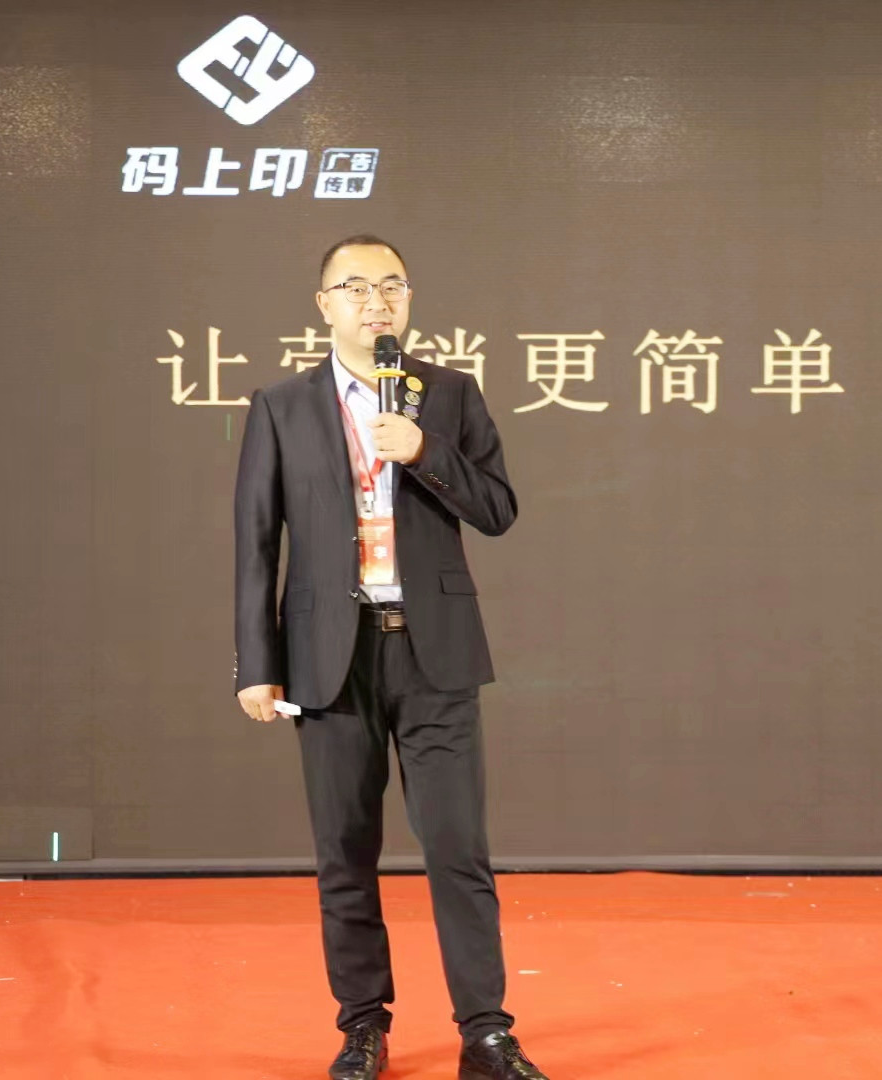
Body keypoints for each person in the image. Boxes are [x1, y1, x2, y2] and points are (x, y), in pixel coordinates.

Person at [233, 236, 549, 1080]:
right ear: (324, 304)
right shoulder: (281, 406)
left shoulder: (448, 394)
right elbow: (256, 542)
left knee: (457, 848)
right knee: (345, 851)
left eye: (392, 287)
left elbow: (498, 509)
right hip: (329, 661)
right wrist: (255, 662)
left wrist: (423, 451)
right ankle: (363, 1028)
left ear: (408, 300)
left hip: (434, 652)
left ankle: (486, 1033)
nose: (376, 302)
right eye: (356, 288)